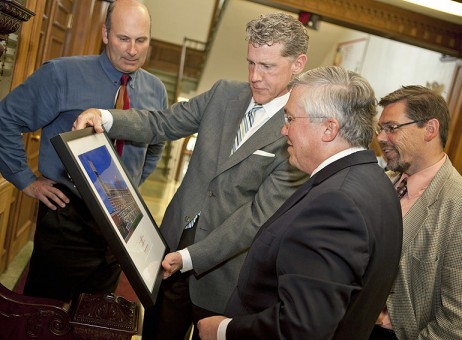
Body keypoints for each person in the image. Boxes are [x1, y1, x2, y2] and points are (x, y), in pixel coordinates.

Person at [73, 12, 309, 339]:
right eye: (250, 63)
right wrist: (105, 117)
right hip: (170, 250)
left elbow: (256, 218)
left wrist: (190, 257)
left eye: (267, 66)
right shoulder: (223, 94)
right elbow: (162, 123)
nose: (254, 76)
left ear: (298, 64)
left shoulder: (298, 128)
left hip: (224, 275)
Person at [196, 66, 403, 340]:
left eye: (291, 118)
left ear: (329, 128)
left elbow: (302, 327)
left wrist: (223, 330)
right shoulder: (373, 180)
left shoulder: (337, 203)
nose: (284, 130)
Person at [0, 0, 167, 302]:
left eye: (141, 40)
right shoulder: (61, 74)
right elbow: (6, 119)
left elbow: (155, 144)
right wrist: (25, 179)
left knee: (95, 318)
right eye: (123, 38)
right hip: (67, 215)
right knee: (44, 313)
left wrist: (130, 187)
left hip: (119, 225)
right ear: (105, 34)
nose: (133, 49)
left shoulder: (156, 91)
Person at [371, 85, 462, 339]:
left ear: (430, 129)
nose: (381, 138)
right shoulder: (380, 184)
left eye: (392, 128)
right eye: (380, 129)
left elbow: (461, 326)